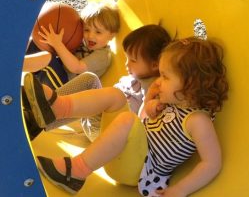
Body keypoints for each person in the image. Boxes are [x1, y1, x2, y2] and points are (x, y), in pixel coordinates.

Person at [30, 36, 229, 196]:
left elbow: (212, 163)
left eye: (165, 77)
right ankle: (57, 108)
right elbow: (142, 124)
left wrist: (181, 190)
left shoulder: (198, 121)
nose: (159, 81)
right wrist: (148, 103)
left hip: (140, 170)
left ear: (190, 85)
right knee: (115, 95)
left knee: (128, 119)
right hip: (125, 153)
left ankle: (76, 171)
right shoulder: (172, 104)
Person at [24, 24, 171, 141]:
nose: (127, 64)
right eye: (127, 58)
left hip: (107, 133)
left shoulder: (153, 87)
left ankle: (39, 117)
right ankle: (39, 117)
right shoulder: (134, 77)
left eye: (133, 60)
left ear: (154, 65)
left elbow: (144, 120)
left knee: (95, 84)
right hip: (96, 119)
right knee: (90, 79)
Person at [23, 0, 121, 140]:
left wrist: (57, 44)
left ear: (112, 35)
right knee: (38, 42)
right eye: (87, 29)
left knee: (48, 57)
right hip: (52, 77)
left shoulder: (103, 56)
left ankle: (12, 67)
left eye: (98, 32)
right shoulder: (82, 40)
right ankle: (15, 60)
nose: (90, 36)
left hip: (64, 91)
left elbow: (76, 67)